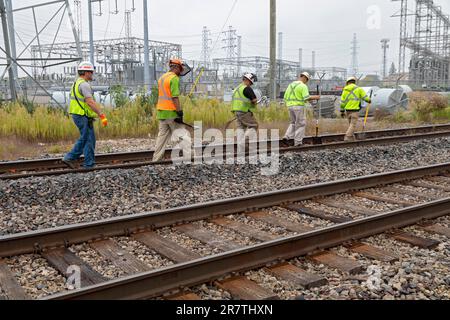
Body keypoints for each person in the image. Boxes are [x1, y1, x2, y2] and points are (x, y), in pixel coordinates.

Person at [62, 61, 108, 169]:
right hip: (81, 115)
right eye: (91, 72)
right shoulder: (84, 85)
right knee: (85, 137)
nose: (92, 74)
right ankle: (70, 157)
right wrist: (101, 114)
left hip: (80, 115)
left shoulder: (76, 83)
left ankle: (89, 164)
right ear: (86, 72)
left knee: (89, 139)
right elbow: (90, 102)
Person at [152, 59, 192, 162]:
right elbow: (175, 97)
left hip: (161, 112)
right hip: (171, 112)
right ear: (177, 68)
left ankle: (156, 160)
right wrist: (179, 112)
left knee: (162, 138)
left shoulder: (162, 78)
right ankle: (190, 158)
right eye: (180, 70)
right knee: (183, 135)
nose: (180, 73)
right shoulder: (174, 78)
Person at [283, 72, 320, 146]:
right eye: (307, 80)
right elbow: (306, 98)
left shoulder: (290, 85)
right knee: (301, 124)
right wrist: (316, 97)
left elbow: (285, 97)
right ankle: (298, 142)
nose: (307, 82)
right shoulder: (303, 86)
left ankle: (287, 136)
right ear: (305, 78)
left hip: (290, 106)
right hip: (299, 107)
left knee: (293, 123)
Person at [340, 76, 372, 141]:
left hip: (347, 111)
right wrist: (369, 100)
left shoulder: (345, 90)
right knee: (352, 125)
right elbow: (365, 97)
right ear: (354, 82)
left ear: (348, 82)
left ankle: (352, 139)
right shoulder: (359, 89)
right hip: (355, 111)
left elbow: (342, 102)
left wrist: (342, 111)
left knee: (350, 125)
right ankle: (347, 136)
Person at [231, 73, 259, 145]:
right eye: (251, 82)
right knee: (254, 125)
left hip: (236, 111)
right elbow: (254, 100)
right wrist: (253, 104)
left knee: (241, 128)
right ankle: (243, 143)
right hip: (244, 111)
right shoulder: (246, 88)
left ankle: (240, 146)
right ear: (247, 80)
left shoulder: (237, 88)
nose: (251, 84)